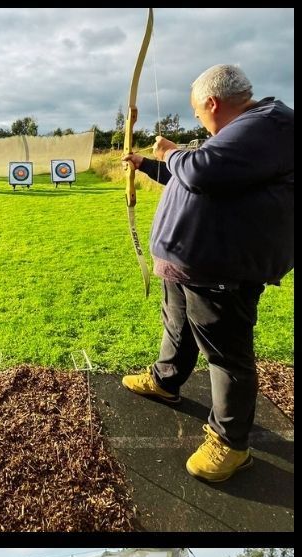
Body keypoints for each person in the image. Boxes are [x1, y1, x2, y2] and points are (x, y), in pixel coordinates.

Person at [120, 64, 294, 483]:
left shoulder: (269, 124)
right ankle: (166, 381)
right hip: (190, 263)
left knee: (226, 353)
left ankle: (231, 443)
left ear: (213, 102)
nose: (199, 119)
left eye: (199, 112)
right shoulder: (242, 136)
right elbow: (191, 177)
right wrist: (147, 163)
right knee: (177, 326)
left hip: (222, 266)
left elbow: (199, 171)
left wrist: (170, 152)